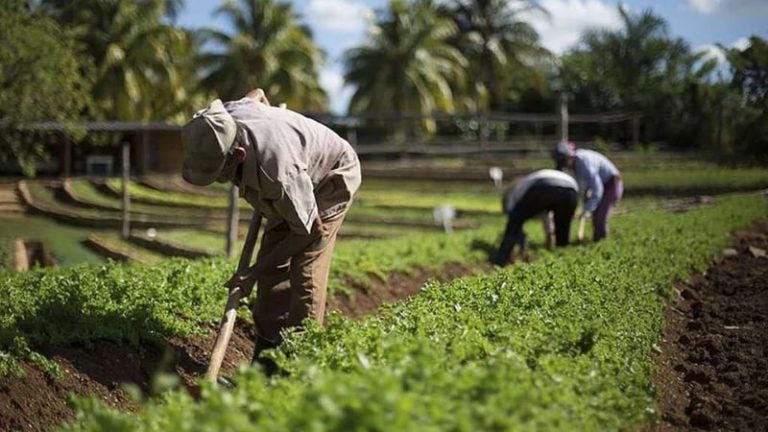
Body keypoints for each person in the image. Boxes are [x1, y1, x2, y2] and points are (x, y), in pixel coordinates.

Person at [181, 89, 361, 369]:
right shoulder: (223, 118)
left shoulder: (278, 175)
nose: (221, 181)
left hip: (330, 178)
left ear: (239, 154)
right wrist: (262, 269)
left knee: (306, 270)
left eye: (221, 174)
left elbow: (310, 231)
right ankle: (266, 362)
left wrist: (253, 271)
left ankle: (299, 365)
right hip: (293, 181)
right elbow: (257, 94)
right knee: (272, 269)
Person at [492, 169, 579, 266]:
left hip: (543, 185)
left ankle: (501, 259)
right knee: (563, 228)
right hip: (571, 189)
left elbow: (513, 215)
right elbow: (547, 216)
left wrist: (516, 235)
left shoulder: (515, 193)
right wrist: (550, 235)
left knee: (514, 223)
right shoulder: (529, 188)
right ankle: (562, 261)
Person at [552, 141, 622, 242]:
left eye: (564, 162)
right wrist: (584, 204)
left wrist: (587, 209)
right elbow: (583, 187)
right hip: (602, 186)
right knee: (596, 217)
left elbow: (597, 189)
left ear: (570, 157)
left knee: (600, 218)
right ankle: (596, 241)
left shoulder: (583, 161)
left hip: (611, 185)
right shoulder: (576, 165)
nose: (565, 166)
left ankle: (603, 245)